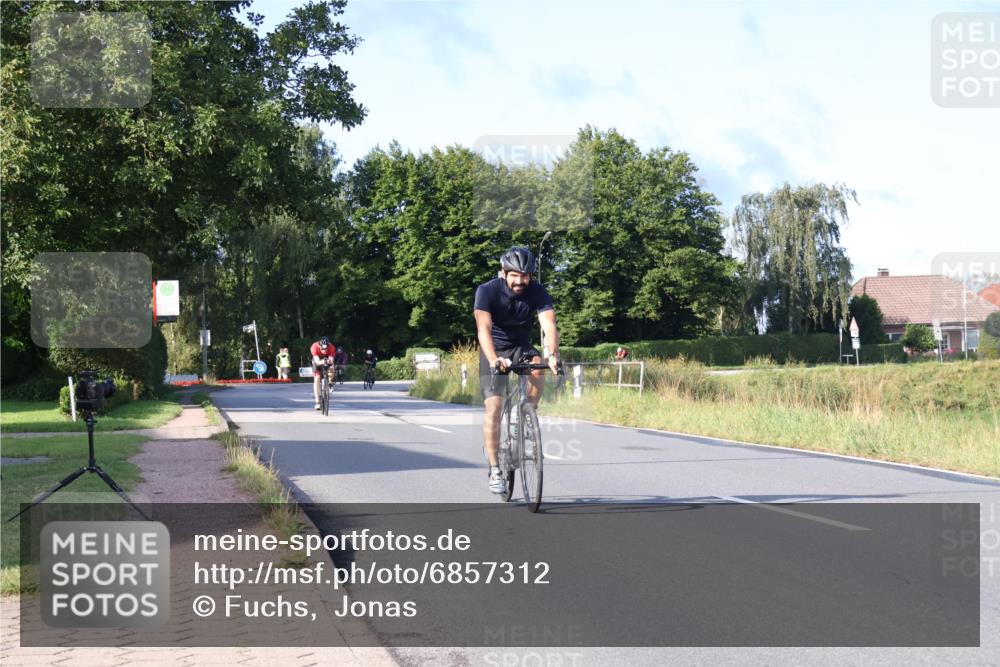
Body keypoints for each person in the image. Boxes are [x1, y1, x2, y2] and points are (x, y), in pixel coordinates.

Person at [473, 246, 561, 495]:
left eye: (525, 276)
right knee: (494, 408)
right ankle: (495, 470)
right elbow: (483, 329)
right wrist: (493, 359)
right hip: (494, 349)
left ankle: (526, 414)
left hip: (520, 347)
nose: (520, 281)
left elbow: (549, 325)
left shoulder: (537, 291)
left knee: (538, 367)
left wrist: (552, 356)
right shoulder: (487, 291)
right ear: (504, 273)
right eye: (515, 275)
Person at [310, 336, 337, 409]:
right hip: (317, 359)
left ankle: (330, 382)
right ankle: (317, 402)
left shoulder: (331, 347)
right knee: (317, 379)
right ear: (319, 346)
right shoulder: (314, 347)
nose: (324, 350)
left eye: (326, 348)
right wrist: (321, 362)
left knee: (332, 367)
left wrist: (329, 362)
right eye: (322, 348)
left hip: (327, 358)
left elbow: (331, 360)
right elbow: (317, 361)